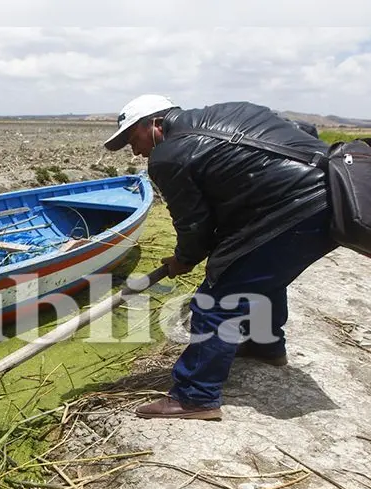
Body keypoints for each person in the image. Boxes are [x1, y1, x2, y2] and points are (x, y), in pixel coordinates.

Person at [103, 95, 337, 420]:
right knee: (262, 276)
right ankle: (265, 346)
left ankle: (195, 396)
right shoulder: (229, 112)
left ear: (154, 124)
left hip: (294, 209)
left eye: (133, 139)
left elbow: (194, 224)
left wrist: (183, 259)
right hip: (330, 199)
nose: (136, 151)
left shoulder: (169, 155)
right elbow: (302, 131)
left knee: (217, 299)